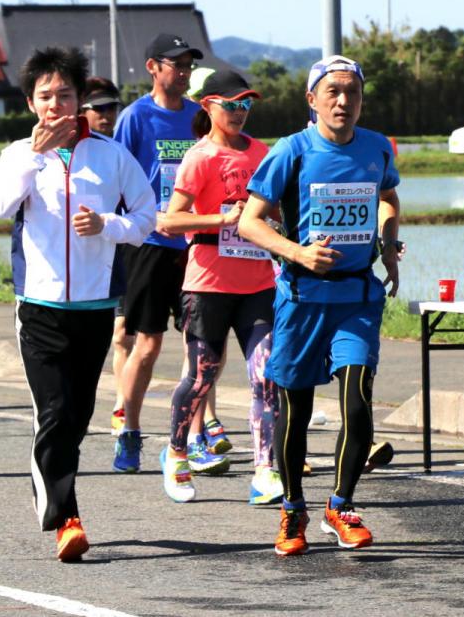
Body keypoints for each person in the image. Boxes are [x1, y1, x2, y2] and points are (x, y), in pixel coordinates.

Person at [0, 46, 154, 561]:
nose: (55, 104)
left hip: (95, 306)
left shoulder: (110, 155)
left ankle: (53, 489)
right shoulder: (19, 154)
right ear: (30, 103)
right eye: (45, 96)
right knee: (55, 410)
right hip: (38, 305)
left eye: (64, 94)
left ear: (80, 98)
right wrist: (34, 157)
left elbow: (147, 217)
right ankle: (67, 517)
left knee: (76, 416)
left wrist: (108, 225)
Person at [238, 55, 400, 556]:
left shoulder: (376, 147)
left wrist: (387, 243)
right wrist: (298, 252)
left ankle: (341, 504)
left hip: (357, 296)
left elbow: (387, 197)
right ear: (312, 99)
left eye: (352, 92)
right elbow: (249, 221)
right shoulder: (291, 151)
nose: (343, 101)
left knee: (357, 399)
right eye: (333, 91)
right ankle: (293, 508)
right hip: (303, 298)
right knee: (296, 410)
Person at [158, 70, 283, 506]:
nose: (240, 112)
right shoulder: (200, 157)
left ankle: (265, 470)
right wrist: (221, 219)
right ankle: (176, 453)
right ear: (208, 106)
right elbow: (170, 220)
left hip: (258, 282)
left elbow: (278, 210)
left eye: (246, 104)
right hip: (208, 283)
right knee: (200, 377)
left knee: (266, 377)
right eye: (231, 104)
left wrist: (275, 224)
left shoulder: (263, 153)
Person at [111, 33, 220, 473]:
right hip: (151, 244)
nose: (184, 72)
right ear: (153, 67)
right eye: (177, 64)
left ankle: (193, 437)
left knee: (199, 346)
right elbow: (116, 177)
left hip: (194, 244)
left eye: (189, 65)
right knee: (148, 343)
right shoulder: (135, 118)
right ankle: (129, 429)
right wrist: (133, 224)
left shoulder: (198, 116)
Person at [75, 78, 134, 435]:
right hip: (83, 261)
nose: (107, 114)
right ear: (81, 110)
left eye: (112, 107)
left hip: (127, 249)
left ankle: (122, 405)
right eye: (99, 108)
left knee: (126, 333)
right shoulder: (70, 153)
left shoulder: (118, 153)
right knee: (114, 334)